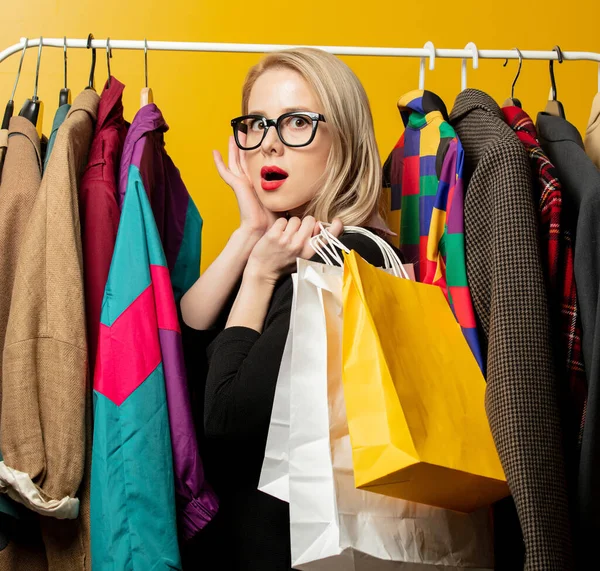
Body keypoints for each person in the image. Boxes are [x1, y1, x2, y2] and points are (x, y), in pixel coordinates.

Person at [181, 47, 396, 570]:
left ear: (343, 138)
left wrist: (258, 273)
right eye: (256, 124)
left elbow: (225, 418)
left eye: (297, 121)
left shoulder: (341, 255)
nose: (269, 143)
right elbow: (183, 342)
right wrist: (248, 236)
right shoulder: (283, 248)